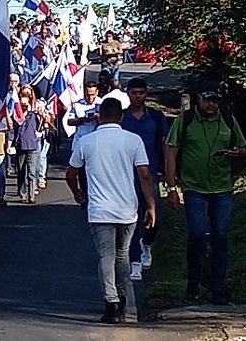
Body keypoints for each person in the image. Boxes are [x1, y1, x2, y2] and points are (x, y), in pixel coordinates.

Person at [64, 98, 157, 324]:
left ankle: (111, 301)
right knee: (122, 254)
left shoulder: (87, 141)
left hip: (100, 209)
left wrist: (77, 193)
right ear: (121, 117)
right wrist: (151, 206)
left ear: (100, 116)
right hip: (127, 208)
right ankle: (123, 294)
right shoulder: (133, 141)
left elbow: (71, 173)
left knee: (106, 255)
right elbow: (144, 174)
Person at [165, 81, 246, 305]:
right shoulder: (186, 120)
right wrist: (172, 188)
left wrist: (235, 154)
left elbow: (241, 147)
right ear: (198, 99)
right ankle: (193, 280)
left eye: (215, 100)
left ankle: (217, 286)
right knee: (198, 234)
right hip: (194, 188)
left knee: (220, 236)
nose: (211, 105)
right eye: (207, 100)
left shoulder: (227, 120)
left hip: (222, 188)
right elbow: (171, 152)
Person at [121, 78, 169, 281]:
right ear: (128, 93)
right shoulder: (122, 118)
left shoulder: (156, 117)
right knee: (131, 220)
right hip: (126, 176)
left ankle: (147, 244)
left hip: (150, 175)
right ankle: (135, 261)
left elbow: (165, 144)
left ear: (146, 93)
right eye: (134, 93)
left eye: (141, 92)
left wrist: (169, 171)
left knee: (153, 217)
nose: (137, 96)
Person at [66, 81, 102, 205]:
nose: (90, 98)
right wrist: (83, 119)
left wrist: (98, 117)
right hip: (81, 142)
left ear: (97, 92)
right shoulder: (77, 105)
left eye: (93, 94)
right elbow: (69, 121)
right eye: (88, 95)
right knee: (81, 172)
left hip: (97, 143)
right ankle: (85, 198)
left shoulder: (101, 103)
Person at [6, 86, 44, 204]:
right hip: (20, 146)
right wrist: (9, 144)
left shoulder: (34, 114)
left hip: (32, 146)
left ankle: (31, 195)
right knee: (21, 171)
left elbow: (43, 125)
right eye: (22, 105)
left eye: (26, 104)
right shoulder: (17, 117)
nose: (24, 106)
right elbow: (12, 131)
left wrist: (42, 116)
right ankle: (22, 193)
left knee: (31, 172)